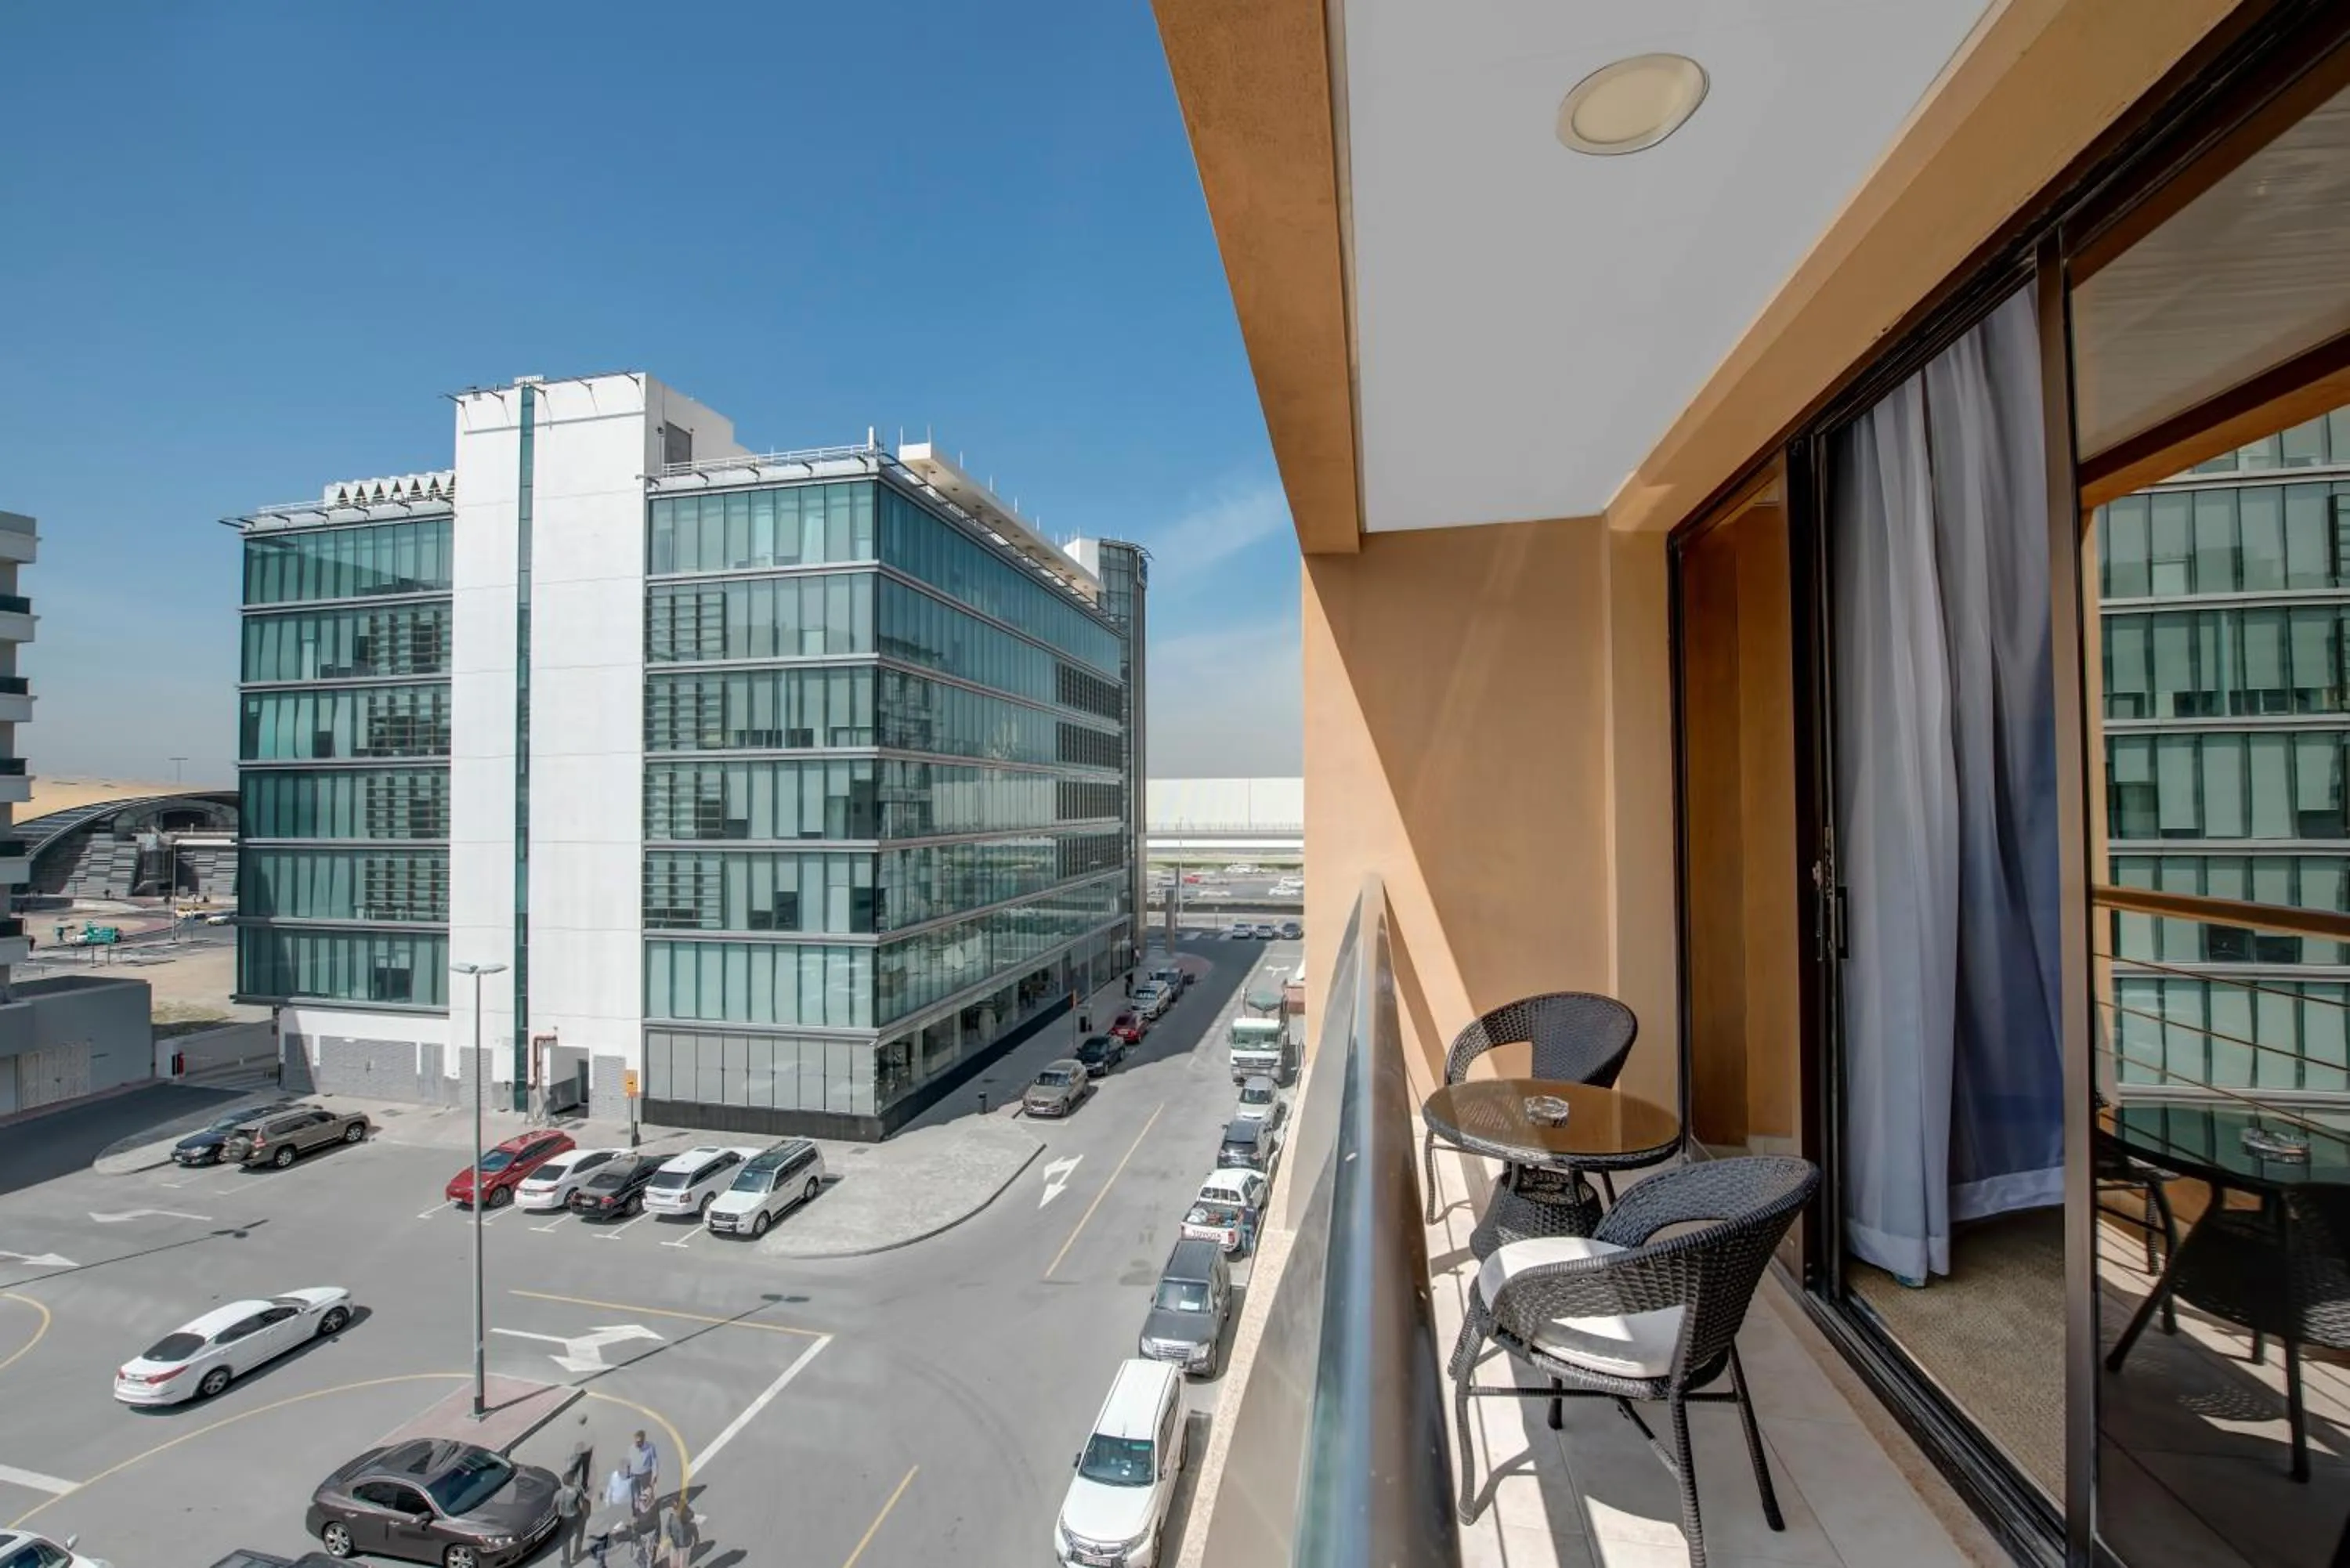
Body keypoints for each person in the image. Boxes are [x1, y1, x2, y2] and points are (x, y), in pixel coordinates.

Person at [555, 1470, 590, 1566]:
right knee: (579, 1534)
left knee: (566, 1541)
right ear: (571, 1481)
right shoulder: (577, 1490)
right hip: (576, 1516)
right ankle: (577, 1553)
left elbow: (554, 1507)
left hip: (565, 1519)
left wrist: (558, 1516)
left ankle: (566, 1561)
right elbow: (583, 1503)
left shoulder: (558, 1493)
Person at [625, 1429, 660, 1515]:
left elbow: (654, 1461)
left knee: (647, 1494)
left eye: (639, 1442)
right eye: (636, 1441)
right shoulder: (631, 1448)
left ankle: (649, 1509)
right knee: (634, 1495)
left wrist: (655, 1475)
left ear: (643, 1440)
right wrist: (627, 1473)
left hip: (645, 1474)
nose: (637, 1444)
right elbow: (629, 1462)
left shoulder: (650, 1447)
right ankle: (635, 1512)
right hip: (634, 1475)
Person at [659, 1498, 697, 1568]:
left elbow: (694, 1529)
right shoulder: (672, 1516)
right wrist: (667, 1536)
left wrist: (696, 1540)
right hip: (674, 1544)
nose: (675, 1511)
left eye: (676, 1509)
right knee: (673, 1565)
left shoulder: (688, 1518)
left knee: (683, 1565)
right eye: (674, 1509)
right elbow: (668, 1527)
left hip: (685, 1545)